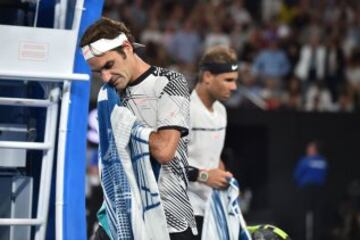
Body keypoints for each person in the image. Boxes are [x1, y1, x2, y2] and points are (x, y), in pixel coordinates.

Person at [80, 17, 197, 239]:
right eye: (98, 72)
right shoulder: (108, 95)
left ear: (126, 48)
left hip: (169, 219)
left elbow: (164, 151)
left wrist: (129, 126)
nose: (105, 77)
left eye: (109, 65)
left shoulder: (170, 82)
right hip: (118, 215)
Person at [185, 46, 238, 239]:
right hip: (183, 213)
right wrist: (206, 177)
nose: (234, 87)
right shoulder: (184, 111)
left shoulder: (221, 112)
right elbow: (167, 166)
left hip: (211, 211)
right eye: (228, 80)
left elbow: (212, 158)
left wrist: (223, 176)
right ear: (207, 77)